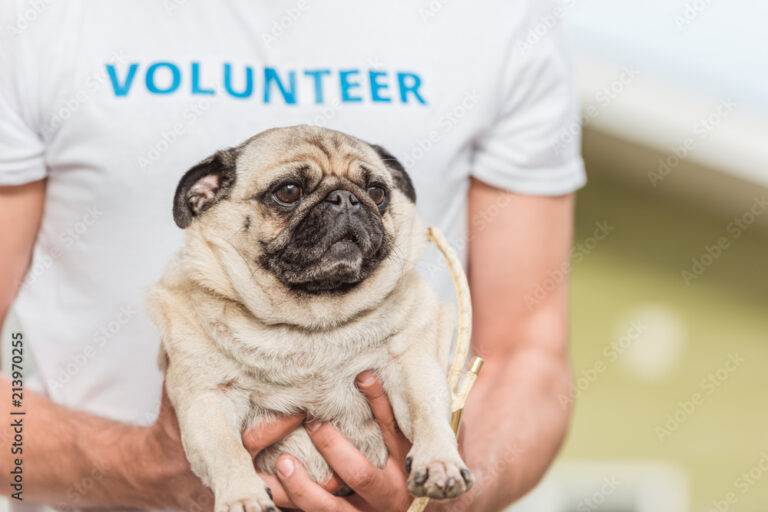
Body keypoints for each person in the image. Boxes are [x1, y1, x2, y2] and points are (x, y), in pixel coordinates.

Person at [0, 0, 584, 510]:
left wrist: (450, 494)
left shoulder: (497, 14)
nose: (342, 211)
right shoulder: (37, 14)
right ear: (200, 199)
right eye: (289, 193)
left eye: (370, 195)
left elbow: (527, 353)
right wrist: (139, 468)